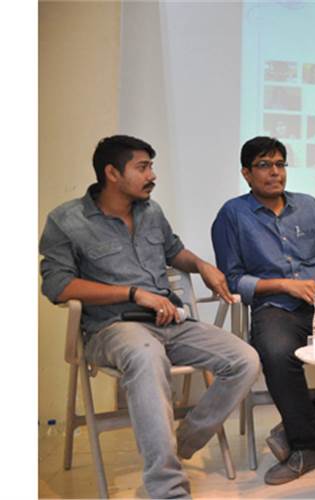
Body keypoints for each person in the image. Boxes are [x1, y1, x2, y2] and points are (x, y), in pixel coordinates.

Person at [39, 135, 259, 498]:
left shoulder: (150, 212)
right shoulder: (66, 221)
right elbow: (57, 286)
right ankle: (167, 489)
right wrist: (132, 293)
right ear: (112, 172)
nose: (152, 175)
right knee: (146, 354)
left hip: (170, 321)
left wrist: (202, 265)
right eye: (142, 167)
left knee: (245, 359)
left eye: (151, 166)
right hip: (113, 327)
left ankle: (182, 441)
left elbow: (174, 251)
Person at [211, 136, 315, 485]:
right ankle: (306, 448)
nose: (275, 172)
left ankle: (300, 423)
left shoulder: (308, 205)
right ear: (246, 173)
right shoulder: (232, 215)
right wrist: (285, 285)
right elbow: (234, 279)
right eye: (265, 165)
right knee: (277, 352)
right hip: (276, 307)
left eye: (280, 164)